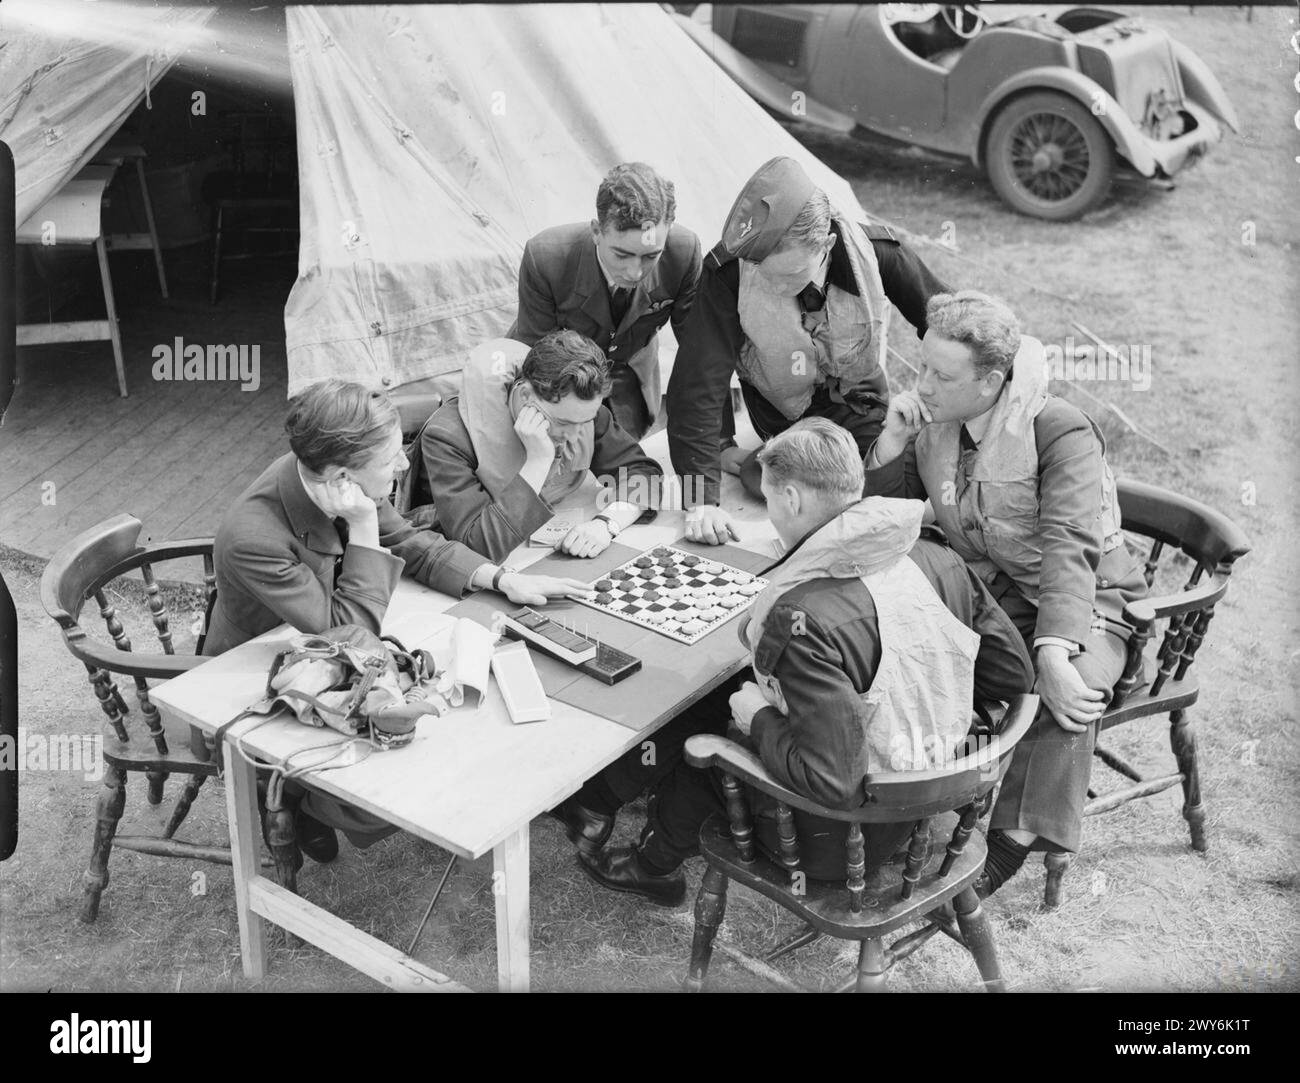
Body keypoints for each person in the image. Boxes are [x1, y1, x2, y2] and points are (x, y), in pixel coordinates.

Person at [573, 418, 1034, 905]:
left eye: (770, 500)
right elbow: (1014, 676)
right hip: (940, 796)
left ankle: (653, 866)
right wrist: (917, 688)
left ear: (791, 499)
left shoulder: (804, 617)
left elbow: (834, 783)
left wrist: (761, 717)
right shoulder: (937, 556)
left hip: (843, 837)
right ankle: (617, 816)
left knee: (712, 733)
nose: (772, 513)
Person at [202, 379, 591, 861]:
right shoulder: (253, 537)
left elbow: (410, 541)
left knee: (435, 709)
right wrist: (364, 528)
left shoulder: (333, 477)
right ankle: (290, 793)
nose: (406, 464)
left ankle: (318, 798)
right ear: (342, 477)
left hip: (319, 647)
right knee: (404, 733)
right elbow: (351, 628)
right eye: (391, 460)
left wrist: (499, 578)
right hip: (253, 674)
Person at [865, 290, 1149, 896]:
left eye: (942, 375)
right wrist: (889, 447)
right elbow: (896, 517)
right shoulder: (935, 426)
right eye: (922, 368)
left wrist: (1053, 652)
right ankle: (891, 805)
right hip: (998, 597)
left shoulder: (1060, 429)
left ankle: (1001, 854)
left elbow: (1072, 544)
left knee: (1064, 697)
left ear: (993, 380)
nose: (924, 386)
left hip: (1091, 604)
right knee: (908, 650)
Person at [666, 155, 951, 546]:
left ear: (827, 245)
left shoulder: (876, 251)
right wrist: (701, 500)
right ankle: (760, 463)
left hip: (862, 405)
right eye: (767, 276)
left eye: (790, 276)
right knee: (813, 493)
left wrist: (944, 388)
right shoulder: (730, 272)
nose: (779, 288)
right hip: (786, 420)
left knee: (898, 483)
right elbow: (698, 382)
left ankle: (758, 465)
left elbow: (948, 324)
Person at [412, 331, 664, 563]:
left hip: (543, 560)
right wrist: (538, 461)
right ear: (525, 396)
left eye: (585, 421)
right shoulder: (447, 438)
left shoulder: (580, 411)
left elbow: (643, 474)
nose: (575, 434)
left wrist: (607, 524)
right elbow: (478, 547)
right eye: (563, 422)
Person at [510, 162, 702, 441]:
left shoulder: (684, 252)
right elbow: (537, 357)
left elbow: (699, 353)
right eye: (622, 255)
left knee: (624, 464)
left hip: (629, 385)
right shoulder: (546, 257)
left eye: (650, 256)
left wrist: (721, 441)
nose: (635, 272)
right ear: (597, 231)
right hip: (557, 386)